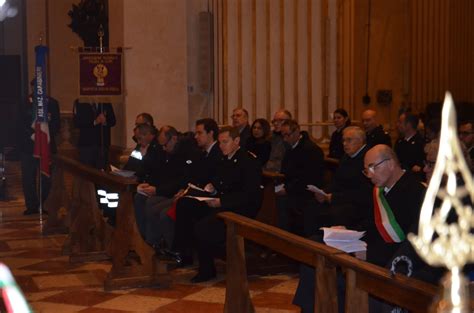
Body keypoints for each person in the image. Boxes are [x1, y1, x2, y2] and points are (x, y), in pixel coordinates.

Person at [293, 145, 426, 313]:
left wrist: (367, 252)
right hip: (370, 249)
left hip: (390, 261)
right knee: (314, 246)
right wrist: (348, 232)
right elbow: (372, 223)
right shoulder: (381, 189)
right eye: (366, 170)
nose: (369, 175)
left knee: (334, 277)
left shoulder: (414, 191)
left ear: (391, 163)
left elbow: (409, 240)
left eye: (372, 167)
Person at [173, 126, 262, 283]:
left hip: (238, 209)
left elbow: (249, 195)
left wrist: (222, 201)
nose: (221, 146)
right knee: (185, 205)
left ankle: (207, 269)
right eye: (220, 142)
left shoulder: (248, 161)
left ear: (236, 141)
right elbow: (220, 181)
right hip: (220, 203)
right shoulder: (224, 158)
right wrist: (212, 187)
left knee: (203, 226)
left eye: (225, 142)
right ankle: (184, 253)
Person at [144, 118, 223, 250]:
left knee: (165, 213)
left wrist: (186, 191)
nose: (196, 136)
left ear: (210, 133)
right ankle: (159, 245)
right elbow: (192, 178)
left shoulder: (216, 153)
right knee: (153, 206)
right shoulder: (203, 153)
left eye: (199, 133)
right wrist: (184, 190)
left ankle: (176, 250)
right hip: (192, 193)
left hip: (206, 199)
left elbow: (208, 182)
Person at [134, 126, 200, 240]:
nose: (163, 148)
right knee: (140, 198)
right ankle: (145, 240)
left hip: (179, 192)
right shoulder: (166, 151)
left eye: (165, 145)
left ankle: (157, 244)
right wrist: (149, 184)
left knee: (154, 207)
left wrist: (158, 190)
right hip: (167, 189)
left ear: (174, 138)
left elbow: (182, 180)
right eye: (161, 145)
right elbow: (159, 172)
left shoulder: (187, 152)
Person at [312, 126, 372, 230]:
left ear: (360, 141)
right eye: (343, 140)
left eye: (349, 140)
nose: (344, 144)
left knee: (334, 213)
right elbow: (337, 181)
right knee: (312, 206)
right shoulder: (346, 157)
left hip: (358, 204)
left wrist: (334, 197)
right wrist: (324, 192)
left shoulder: (368, 157)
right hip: (342, 199)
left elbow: (363, 192)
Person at [276, 119, 324, 236]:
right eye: (283, 135)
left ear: (297, 132)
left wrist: (287, 189)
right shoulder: (290, 148)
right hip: (293, 188)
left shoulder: (311, 150)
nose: (285, 139)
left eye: (287, 135)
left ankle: (287, 242)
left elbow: (309, 178)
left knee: (284, 204)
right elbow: (285, 172)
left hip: (305, 192)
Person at [20, 80, 61, 215]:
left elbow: (56, 125)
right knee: (28, 178)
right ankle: (32, 206)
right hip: (28, 146)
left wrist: (44, 137)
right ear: (32, 87)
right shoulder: (25, 102)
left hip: (47, 146)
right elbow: (19, 123)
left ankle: (43, 204)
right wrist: (32, 135)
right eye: (35, 87)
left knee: (46, 177)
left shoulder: (52, 103)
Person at [73, 100, 116, 169]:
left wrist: (105, 121)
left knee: (102, 172)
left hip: (102, 144)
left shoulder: (105, 101)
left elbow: (113, 121)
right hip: (86, 145)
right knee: (87, 172)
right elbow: (76, 123)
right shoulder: (79, 102)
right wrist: (95, 122)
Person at [394, 112, 425, 177]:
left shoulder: (421, 142)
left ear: (408, 125)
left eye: (400, 122)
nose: (397, 125)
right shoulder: (399, 142)